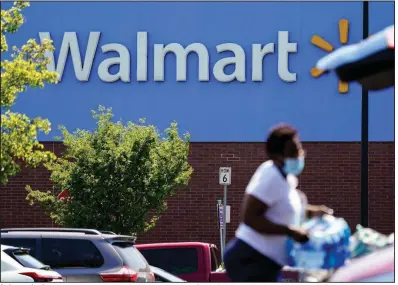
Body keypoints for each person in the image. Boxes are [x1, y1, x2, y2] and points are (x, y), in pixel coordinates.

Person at [223, 124, 333, 282]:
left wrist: (314, 212)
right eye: (293, 152)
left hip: (268, 263)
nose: (300, 155)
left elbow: (286, 212)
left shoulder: (287, 178)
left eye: (300, 149)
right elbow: (250, 217)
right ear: (278, 156)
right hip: (250, 259)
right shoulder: (270, 176)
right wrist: (291, 231)